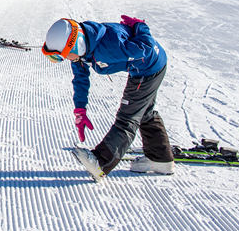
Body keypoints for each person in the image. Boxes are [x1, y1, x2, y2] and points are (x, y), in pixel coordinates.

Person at [41, 16, 174, 181]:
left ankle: (101, 163)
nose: (64, 60)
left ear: (76, 44)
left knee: (128, 117)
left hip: (149, 68)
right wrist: (80, 109)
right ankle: (160, 159)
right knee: (143, 112)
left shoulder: (109, 46)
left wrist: (140, 26)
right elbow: (80, 79)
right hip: (142, 68)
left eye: (61, 56)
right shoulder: (81, 52)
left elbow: (146, 47)